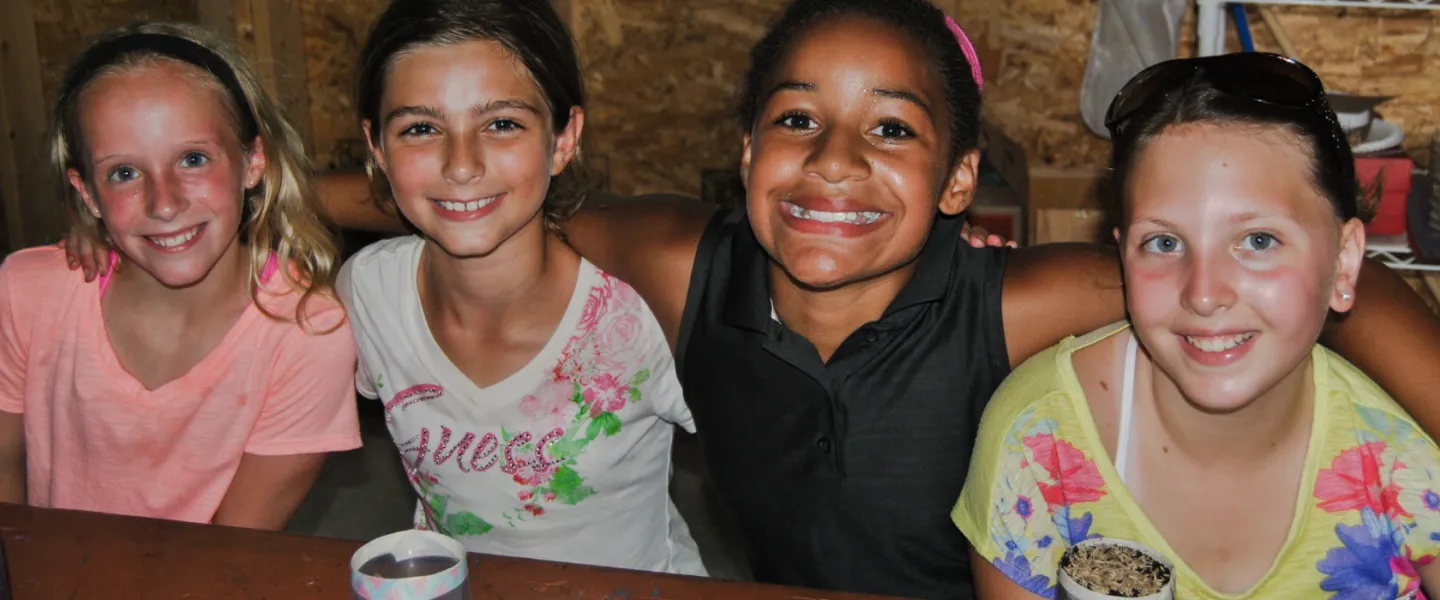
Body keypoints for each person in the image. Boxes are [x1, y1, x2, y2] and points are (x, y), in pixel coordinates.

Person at [67, 0, 1440, 597]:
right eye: (796, 120)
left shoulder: (1014, 305)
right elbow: (480, 201)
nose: (835, 164)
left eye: (892, 132)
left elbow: (1310, 279)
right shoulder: (679, 263)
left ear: (962, 178)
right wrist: (266, 207)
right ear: (741, 159)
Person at [955, 52, 1440, 600]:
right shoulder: (1038, 444)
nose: (1204, 294)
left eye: (1258, 240)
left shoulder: (1411, 461)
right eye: (1164, 243)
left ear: (1345, 261)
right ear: (1122, 256)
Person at [335, 0, 703, 575]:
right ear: (377, 148)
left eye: (502, 123)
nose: (461, 164)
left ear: (563, 139)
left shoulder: (639, 318)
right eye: (421, 128)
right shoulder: (369, 292)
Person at [0, 22, 361, 529]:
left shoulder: (307, 331)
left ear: (252, 161)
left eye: (193, 160)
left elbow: (232, 543)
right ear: (87, 194)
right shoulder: (26, 291)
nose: (164, 203)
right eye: (124, 173)